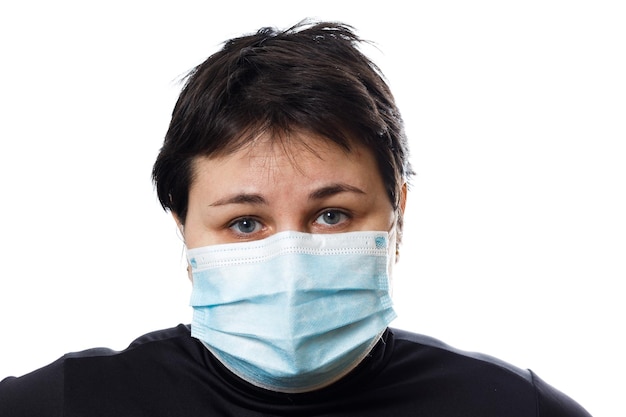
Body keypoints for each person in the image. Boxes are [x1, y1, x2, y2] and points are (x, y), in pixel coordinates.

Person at [0, 20, 591, 416]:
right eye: (246, 224)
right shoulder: (65, 405)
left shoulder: (511, 407)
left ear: (397, 217)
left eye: (332, 215)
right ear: (182, 227)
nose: (291, 259)